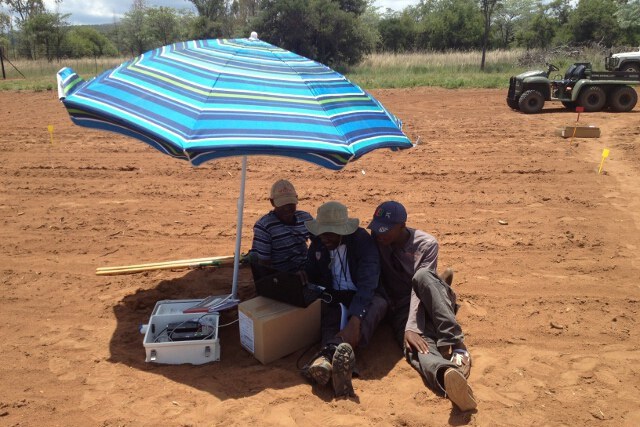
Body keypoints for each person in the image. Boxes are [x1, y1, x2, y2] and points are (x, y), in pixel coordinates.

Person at [368, 201, 477, 412]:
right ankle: (445, 374)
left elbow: (416, 292)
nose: (380, 235)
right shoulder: (377, 239)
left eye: (385, 230)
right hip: (400, 304)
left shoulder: (426, 244)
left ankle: (458, 345)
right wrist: (404, 324)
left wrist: (412, 326)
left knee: (423, 277)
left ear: (402, 225)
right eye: (377, 228)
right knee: (416, 347)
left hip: (421, 295)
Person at [302, 201, 387, 398]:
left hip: (364, 295)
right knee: (329, 315)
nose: (325, 238)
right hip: (335, 296)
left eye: (330, 233)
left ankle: (326, 358)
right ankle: (338, 363)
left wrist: (356, 319)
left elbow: (368, 284)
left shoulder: (362, 242)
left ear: (344, 230)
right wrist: (304, 277)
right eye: (322, 232)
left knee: (375, 307)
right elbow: (312, 273)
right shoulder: (319, 242)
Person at [250, 179, 313, 279]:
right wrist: (289, 278)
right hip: (280, 278)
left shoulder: (306, 218)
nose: (287, 208)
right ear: (272, 202)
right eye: (282, 204)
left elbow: (320, 244)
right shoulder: (264, 227)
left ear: (297, 199)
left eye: (290, 204)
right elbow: (264, 266)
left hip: (305, 273)